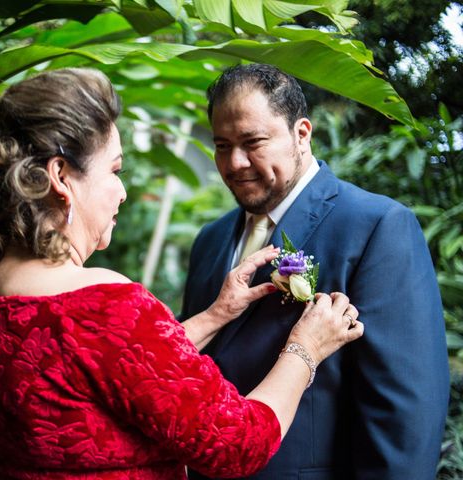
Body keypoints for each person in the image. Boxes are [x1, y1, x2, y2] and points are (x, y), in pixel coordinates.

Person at [0, 67, 363, 480]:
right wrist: (305, 348)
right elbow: (237, 444)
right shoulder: (104, 304)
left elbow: (105, 374)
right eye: (114, 171)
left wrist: (217, 314)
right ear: (61, 177)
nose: (122, 191)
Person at [181, 63, 449, 480]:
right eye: (221, 145)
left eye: (253, 142)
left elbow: (404, 410)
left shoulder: (377, 226)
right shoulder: (209, 241)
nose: (234, 163)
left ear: (301, 133)